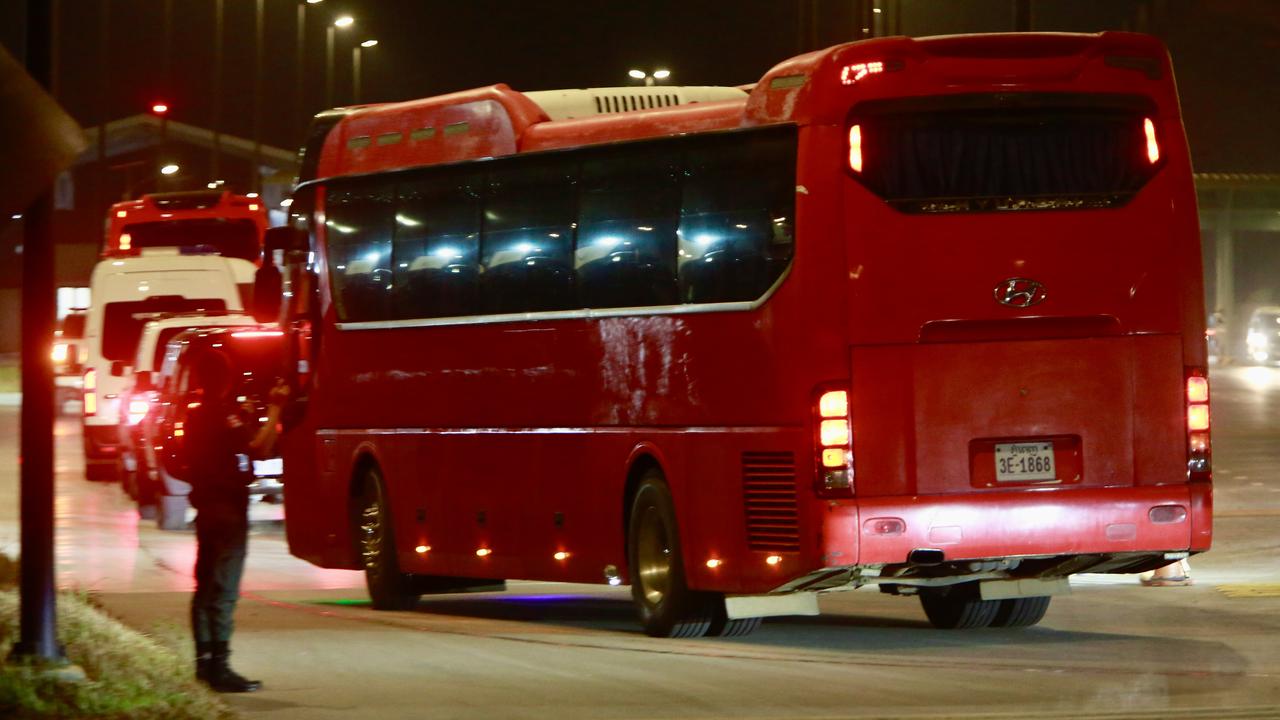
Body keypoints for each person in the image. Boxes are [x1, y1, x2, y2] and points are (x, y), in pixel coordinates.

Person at [185, 349, 289, 693]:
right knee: (224, 590)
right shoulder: (224, 416)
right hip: (228, 512)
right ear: (226, 380)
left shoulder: (194, 417)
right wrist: (275, 408)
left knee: (203, 588)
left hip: (205, 511)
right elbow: (259, 448)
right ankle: (221, 666)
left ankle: (203, 662)